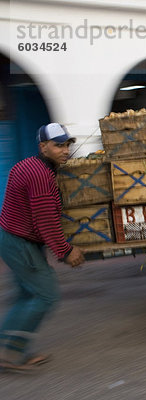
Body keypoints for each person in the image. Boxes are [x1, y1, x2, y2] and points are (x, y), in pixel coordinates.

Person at [0, 123, 85, 373]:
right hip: (20, 244)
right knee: (46, 295)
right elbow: (46, 221)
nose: (65, 150)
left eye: (67, 144)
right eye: (59, 145)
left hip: (13, 238)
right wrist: (66, 251)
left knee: (28, 296)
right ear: (43, 147)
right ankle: (10, 354)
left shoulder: (30, 165)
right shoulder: (40, 175)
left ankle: (13, 349)